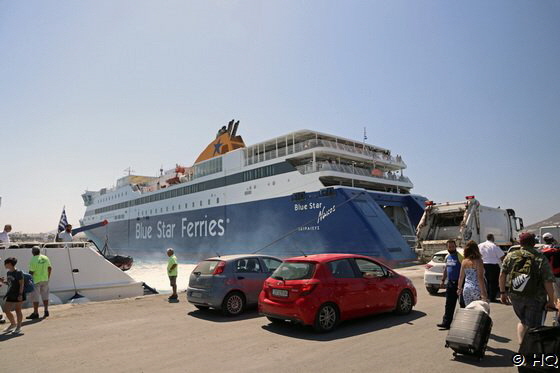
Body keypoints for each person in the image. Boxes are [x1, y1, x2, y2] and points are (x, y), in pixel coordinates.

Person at [499, 232, 557, 344]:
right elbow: (548, 281)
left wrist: (502, 292)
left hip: (515, 295)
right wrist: (551, 300)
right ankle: (531, 351)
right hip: (535, 297)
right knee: (535, 326)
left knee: (523, 321)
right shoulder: (539, 257)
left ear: (520, 242)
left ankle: (522, 348)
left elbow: (502, 275)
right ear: (534, 243)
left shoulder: (510, 256)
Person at [437, 239, 465, 330]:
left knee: (463, 304)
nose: (451, 248)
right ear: (447, 247)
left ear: (455, 246)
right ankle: (446, 323)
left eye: (453, 246)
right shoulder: (447, 257)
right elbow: (446, 269)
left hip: (459, 283)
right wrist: (443, 280)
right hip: (450, 283)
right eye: (449, 247)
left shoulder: (460, 256)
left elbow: (465, 269)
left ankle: (464, 324)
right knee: (449, 304)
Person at [458, 240, 488, 306]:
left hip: (466, 288)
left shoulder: (464, 261)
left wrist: (459, 288)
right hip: (477, 288)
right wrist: (483, 292)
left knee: (469, 310)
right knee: (478, 310)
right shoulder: (479, 261)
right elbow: (480, 277)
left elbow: (461, 277)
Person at [26, 247, 52, 319]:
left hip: (36, 280)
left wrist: (28, 280)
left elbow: (31, 272)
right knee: (45, 296)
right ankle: (46, 310)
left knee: (35, 297)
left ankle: (35, 313)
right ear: (39, 251)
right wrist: (48, 277)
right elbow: (49, 268)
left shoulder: (33, 259)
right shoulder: (45, 258)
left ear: (32, 252)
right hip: (45, 279)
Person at [1, 257, 25, 334]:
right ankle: (13, 324)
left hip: (18, 294)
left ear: (10, 264)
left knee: (18, 310)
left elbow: (21, 284)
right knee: (6, 310)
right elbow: (9, 283)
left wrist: (20, 294)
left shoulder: (18, 272)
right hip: (10, 294)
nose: (4, 265)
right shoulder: (8, 273)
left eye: (6, 263)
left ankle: (19, 327)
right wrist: (2, 281)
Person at [478, 233, 505, 302]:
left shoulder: (480, 245)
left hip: (482, 265)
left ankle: (485, 296)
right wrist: (504, 264)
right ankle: (492, 297)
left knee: (484, 281)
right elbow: (502, 256)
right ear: (492, 238)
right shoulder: (494, 246)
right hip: (493, 266)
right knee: (493, 282)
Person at [541, 232, 560, 298]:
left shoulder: (541, 250)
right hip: (557, 274)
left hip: (547, 275)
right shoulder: (557, 248)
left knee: (552, 294)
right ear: (552, 238)